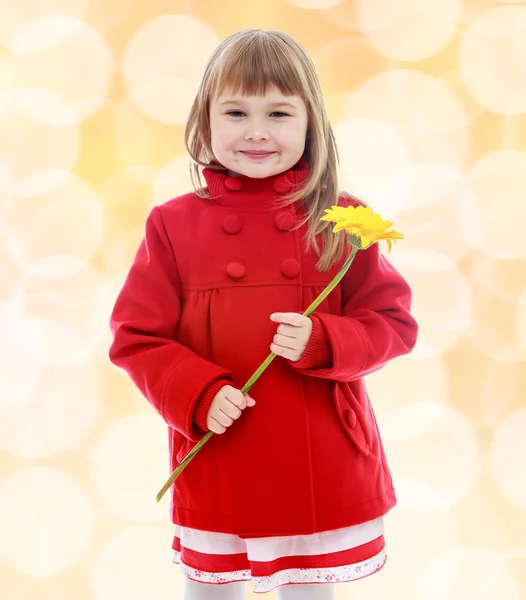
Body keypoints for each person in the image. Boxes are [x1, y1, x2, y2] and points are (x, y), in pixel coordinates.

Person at [108, 28, 418, 600]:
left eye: (278, 112)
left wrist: (328, 340)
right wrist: (196, 392)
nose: (255, 132)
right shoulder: (173, 224)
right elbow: (135, 335)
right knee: (209, 590)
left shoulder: (343, 218)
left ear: (311, 124)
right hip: (219, 452)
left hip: (320, 458)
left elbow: (394, 323)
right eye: (235, 111)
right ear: (204, 122)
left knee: (309, 589)